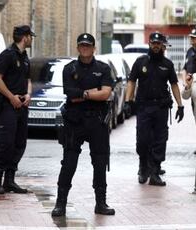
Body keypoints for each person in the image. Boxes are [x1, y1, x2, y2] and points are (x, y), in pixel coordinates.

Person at [51, 33, 115, 217]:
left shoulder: (103, 68)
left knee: (100, 162)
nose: (85, 48)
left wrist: (84, 94)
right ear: (78, 48)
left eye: (88, 45)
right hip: (75, 122)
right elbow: (71, 94)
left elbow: (106, 94)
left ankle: (100, 203)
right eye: (82, 45)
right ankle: (60, 203)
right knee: (69, 163)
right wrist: (93, 92)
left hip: (97, 121)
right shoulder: (69, 68)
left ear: (94, 48)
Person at [124, 32, 184, 186]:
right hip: (143, 106)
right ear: (149, 44)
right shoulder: (140, 62)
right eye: (153, 43)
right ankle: (143, 166)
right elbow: (131, 81)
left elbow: (174, 85)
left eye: (158, 43)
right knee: (142, 140)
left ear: (162, 45)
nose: (156, 46)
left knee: (160, 140)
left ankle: (155, 172)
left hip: (161, 107)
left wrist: (180, 105)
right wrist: (128, 101)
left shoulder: (167, 64)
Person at [0, 25, 35, 194]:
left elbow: (28, 79)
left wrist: (28, 94)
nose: (31, 39)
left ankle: (10, 180)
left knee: (19, 143)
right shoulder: (7, 55)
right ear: (25, 37)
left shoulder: (24, 57)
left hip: (22, 106)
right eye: (31, 36)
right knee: (5, 143)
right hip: (8, 105)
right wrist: (11, 97)